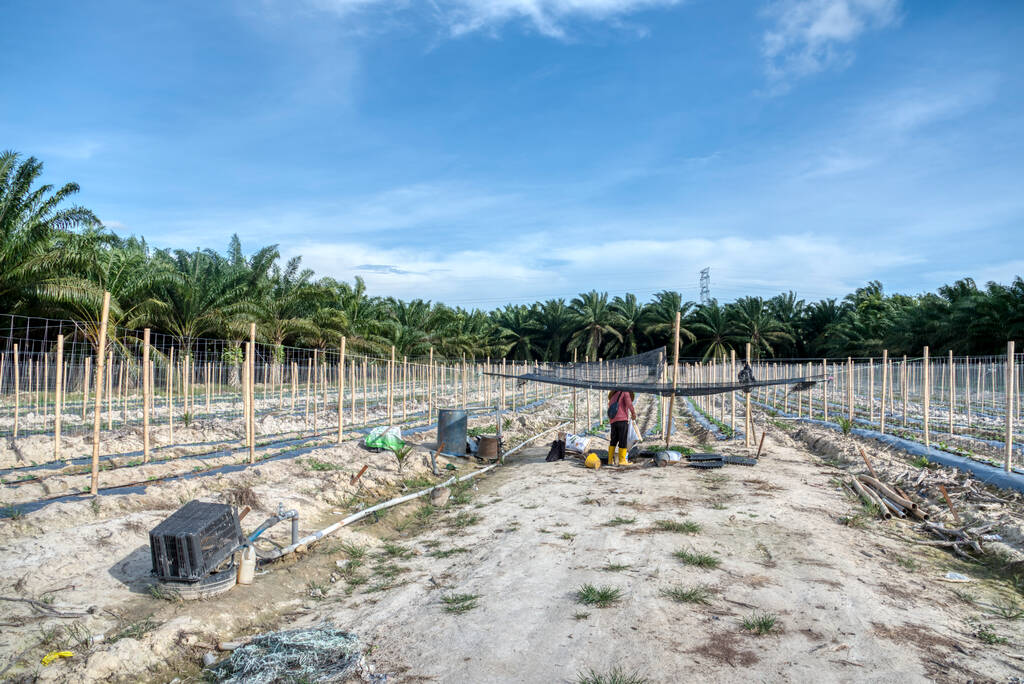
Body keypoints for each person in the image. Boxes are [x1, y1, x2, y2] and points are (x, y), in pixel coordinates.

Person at [607, 390, 637, 466]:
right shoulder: (625, 392)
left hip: (613, 421)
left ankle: (610, 460)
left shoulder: (613, 396)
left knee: (613, 440)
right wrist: (633, 413)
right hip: (622, 420)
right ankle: (622, 460)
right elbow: (629, 404)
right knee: (622, 440)